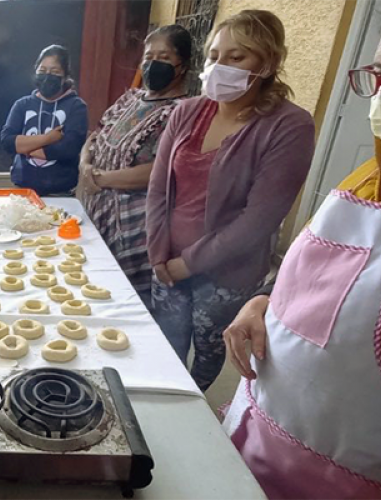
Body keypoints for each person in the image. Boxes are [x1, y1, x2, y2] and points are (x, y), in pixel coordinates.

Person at [220, 44, 381, 500]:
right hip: (258, 437)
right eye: (378, 73)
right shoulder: (366, 179)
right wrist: (263, 303)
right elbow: (318, 280)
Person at [145, 10, 315, 391]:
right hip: (166, 261)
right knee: (163, 349)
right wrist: (158, 254)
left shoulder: (288, 126)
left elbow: (260, 218)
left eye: (237, 58)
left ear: (268, 63)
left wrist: (187, 264)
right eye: (215, 56)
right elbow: (158, 188)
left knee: (207, 356)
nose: (220, 66)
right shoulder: (187, 112)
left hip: (225, 274)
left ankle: (192, 411)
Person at [79, 25, 192, 304]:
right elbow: (97, 133)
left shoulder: (182, 111)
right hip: (98, 212)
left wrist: (100, 178)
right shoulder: (130, 98)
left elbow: (163, 170)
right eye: (148, 56)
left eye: (163, 57)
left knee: (123, 301)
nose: (153, 64)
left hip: (136, 230)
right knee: (90, 289)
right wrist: (84, 164)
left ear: (183, 65)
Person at [1, 44, 89, 196]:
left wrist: (26, 147)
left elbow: (69, 148)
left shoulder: (76, 106)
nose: (47, 76)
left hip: (62, 191)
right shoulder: (22, 104)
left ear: (65, 76)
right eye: (42, 71)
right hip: (22, 189)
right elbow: (7, 142)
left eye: (54, 72)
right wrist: (48, 138)